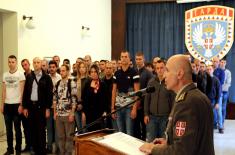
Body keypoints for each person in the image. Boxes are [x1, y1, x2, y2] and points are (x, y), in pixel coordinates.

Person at [139, 54, 214, 155]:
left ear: (179, 74)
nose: (164, 75)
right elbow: (193, 141)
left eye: (167, 70)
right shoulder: (197, 96)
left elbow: (181, 151)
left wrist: (153, 149)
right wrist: (168, 143)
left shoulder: (187, 103)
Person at [22, 57, 53, 155]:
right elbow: (26, 93)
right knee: (32, 130)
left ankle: (42, 151)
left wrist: (48, 108)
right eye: (34, 62)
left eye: (38, 62)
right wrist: (25, 107)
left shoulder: (47, 77)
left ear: (41, 64)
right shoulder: (29, 76)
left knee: (41, 131)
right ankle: (35, 150)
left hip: (41, 108)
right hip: (31, 107)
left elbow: (49, 94)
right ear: (33, 64)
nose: (36, 64)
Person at [144, 59, 175, 142]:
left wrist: (171, 116)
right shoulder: (151, 82)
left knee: (164, 142)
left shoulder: (170, 82)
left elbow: (173, 101)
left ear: (165, 68)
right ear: (155, 69)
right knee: (151, 141)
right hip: (152, 118)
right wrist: (146, 114)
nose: (159, 70)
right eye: (157, 68)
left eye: (161, 68)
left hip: (165, 118)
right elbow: (147, 99)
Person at [1, 55, 25, 155]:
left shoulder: (20, 75)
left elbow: (22, 91)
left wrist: (21, 105)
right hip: (7, 105)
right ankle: (10, 149)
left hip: (16, 105)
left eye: (13, 62)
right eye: (9, 62)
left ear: (16, 62)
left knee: (17, 129)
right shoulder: (5, 74)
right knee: (8, 130)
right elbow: (3, 90)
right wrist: (2, 104)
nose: (11, 64)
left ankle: (18, 149)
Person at [111, 51, 140, 136]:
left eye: (125, 57)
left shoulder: (134, 73)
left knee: (129, 133)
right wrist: (112, 108)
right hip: (118, 107)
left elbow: (137, 92)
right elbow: (114, 91)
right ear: (120, 59)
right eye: (122, 57)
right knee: (120, 133)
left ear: (129, 59)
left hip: (129, 107)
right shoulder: (116, 73)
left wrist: (134, 109)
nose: (124, 58)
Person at [54, 64, 77, 155]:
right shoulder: (57, 83)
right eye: (61, 70)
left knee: (69, 136)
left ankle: (68, 153)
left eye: (64, 70)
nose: (62, 72)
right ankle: (62, 152)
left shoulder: (72, 82)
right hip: (59, 114)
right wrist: (55, 112)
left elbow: (74, 99)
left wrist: (72, 113)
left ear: (67, 71)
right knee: (60, 136)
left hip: (68, 114)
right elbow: (55, 99)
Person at [82, 64, 108, 132]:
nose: (93, 74)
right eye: (92, 72)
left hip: (100, 113)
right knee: (90, 132)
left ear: (98, 72)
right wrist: (84, 112)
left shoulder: (103, 84)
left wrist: (105, 111)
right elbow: (84, 99)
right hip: (89, 113)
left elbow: (106, 99)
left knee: (99, 133)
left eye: (95, 72)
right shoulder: (87, 84)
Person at [134, 52, 153, 140]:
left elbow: (149, 91)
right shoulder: (133, 71)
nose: (138, 61)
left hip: (144, 105)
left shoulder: (148, 73)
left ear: (143, 59)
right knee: (135, 129)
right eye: (137, 59)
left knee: (145, 130)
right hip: (134, 104)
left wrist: (142, 104)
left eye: (140, 59)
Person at [47, 60, 61, 153]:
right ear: (48, 68)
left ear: (56, 68)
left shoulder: (59, 77)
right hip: (49, 107)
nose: (52, 69)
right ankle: (49, 148)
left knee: (57, 129)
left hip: (58, 108)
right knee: (49, 128)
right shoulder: (46, 77)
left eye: (53, 67)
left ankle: (57, 148)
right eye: (50, 67)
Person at [21, 58, 33, 153]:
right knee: (25, 128)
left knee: (32, 127)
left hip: (32, 106)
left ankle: (33, 146)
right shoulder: (22, 76)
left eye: (26, 64)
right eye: (23, 65)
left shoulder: (34, 75)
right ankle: (28, 145)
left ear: (29, 64)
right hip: (24, 105)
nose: (25, 66)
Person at [220, 58, 231, 125]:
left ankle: (222, 122)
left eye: (224, 62)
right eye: (222, 62)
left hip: (224, 92)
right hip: (217, 92)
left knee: (223, 108)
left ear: (226, 63)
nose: (223, 63)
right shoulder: (217, 71)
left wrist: (219, 87)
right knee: (217, 108)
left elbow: (228, 84)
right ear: (220, 63)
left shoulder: (228, 72)